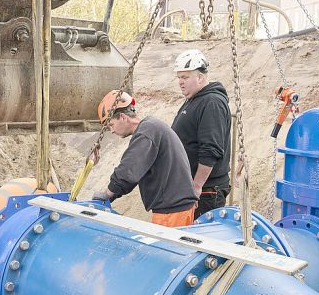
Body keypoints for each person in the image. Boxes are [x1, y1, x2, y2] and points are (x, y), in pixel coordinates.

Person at [93, 90, 197, 227]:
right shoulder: (151, 127)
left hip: (172, 211)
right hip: (177, 206)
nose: (111, 131)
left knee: (165, 248)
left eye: (111, 125)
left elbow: (128, 170)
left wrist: (108, 193)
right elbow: (134, 172)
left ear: (123, 117)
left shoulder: (146, 132)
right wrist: (114, 194)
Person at [171, 49, 233, 219]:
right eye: (179, 77)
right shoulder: (195, 100)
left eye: (185, 77)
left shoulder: (211, 103)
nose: (180, 82)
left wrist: (196, 187)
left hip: (206, 192)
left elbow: (210, 149)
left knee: (199, 239)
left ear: (200, 77)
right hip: (194, 189)